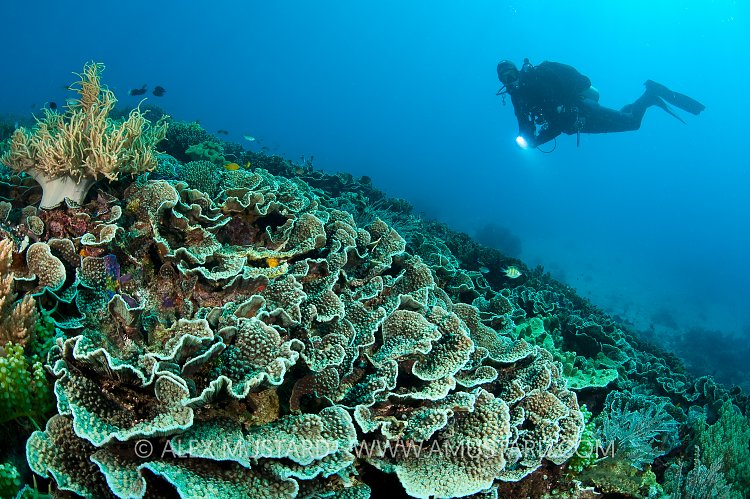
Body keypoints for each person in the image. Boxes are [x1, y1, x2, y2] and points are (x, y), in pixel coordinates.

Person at [496, 58, 705, 149]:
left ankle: (649, 95)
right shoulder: (518, 97)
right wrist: (527, 139)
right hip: (576, 124)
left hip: (583, 111)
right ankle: (641, 101)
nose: (510, 80)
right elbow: (523, 122)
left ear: (518, 72)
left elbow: (557, 121)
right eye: (505, 79)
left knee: (633, 123)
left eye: (511, 74)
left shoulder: (537, 82)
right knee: (625, 120)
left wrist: (537, 141)